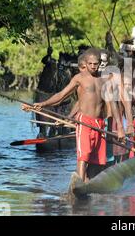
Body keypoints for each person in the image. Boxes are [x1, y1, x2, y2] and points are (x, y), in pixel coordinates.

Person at [22, 48, 125, 182]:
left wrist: (121, 128)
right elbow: (61, 95)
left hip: (99, 124)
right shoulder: (79, 79)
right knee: (84, 155)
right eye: (90, 64)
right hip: (84, 122)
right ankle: (79, 183)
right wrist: (43, 104)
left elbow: (113, 105)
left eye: (96, 64)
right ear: (86, 64)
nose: (93, 66)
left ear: (100, 63)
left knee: (96, 159)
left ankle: (88, 183)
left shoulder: (105, 81)